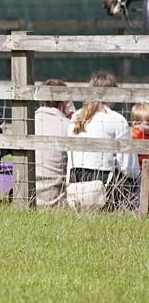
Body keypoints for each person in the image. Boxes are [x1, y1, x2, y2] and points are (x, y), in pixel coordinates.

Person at [66, 71, 140, 210]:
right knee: (138, 177)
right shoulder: (117, 120)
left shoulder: (76, 117)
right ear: (112, 94)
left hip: (74, 190)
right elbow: (128, 167)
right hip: (104, 193)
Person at [34, 78, 72, 207]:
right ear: (63, 101)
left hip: (26, 195)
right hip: (56, 199)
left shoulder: (28, 121)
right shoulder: (68, 126)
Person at [130, 103, 149, 167]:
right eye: (148, 124)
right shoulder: (134, 136)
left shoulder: (146, 134)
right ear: (136, 124)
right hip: (137, 169)